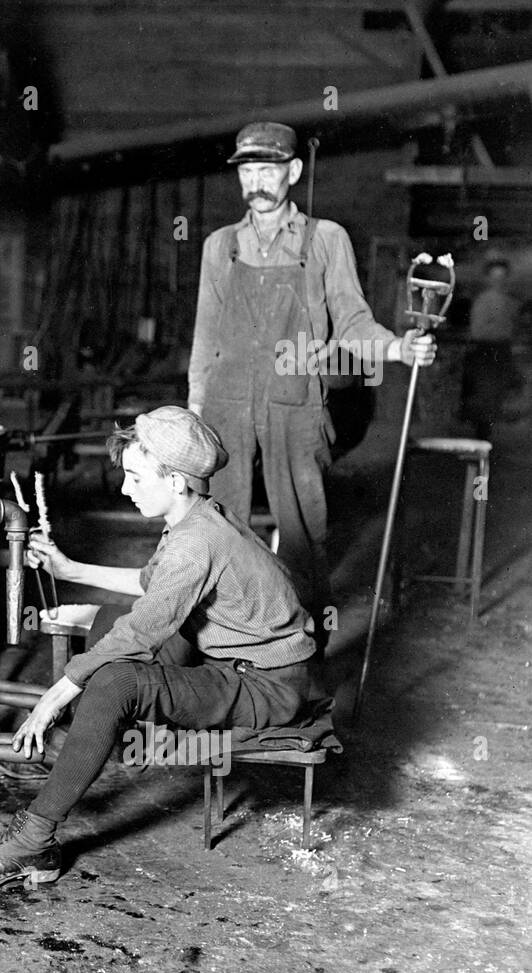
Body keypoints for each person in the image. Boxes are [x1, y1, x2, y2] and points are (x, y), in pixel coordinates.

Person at [0, 407, 320, 888]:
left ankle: (32, 844)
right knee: (107, 630)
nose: (125, 489)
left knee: (115, 677)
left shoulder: (195, 542)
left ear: (178, 482)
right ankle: (86, 747)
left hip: (266, 685)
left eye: (136, 478)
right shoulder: (201, 518)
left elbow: (144, 630)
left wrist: (52, 699)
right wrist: (71, 570)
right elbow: (154, 585)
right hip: (236, 662)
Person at [188, 121, 436, 630]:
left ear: (294, 172)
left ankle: (303, 644)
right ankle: (221, 635)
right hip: (225, 401)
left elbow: (351, 322)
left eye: (268, 169)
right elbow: (205, 334)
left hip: (295, 399)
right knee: (214, 522)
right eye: (247, 171)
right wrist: (195, 405)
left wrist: (397, 348)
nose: (256, 181)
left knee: (302, 530)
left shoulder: (326, 240)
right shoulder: (220, 246)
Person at [464, 256, 520, 438]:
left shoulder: (510, 301)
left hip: (503, 350)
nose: (499, 281)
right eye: (495, 277)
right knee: (485, 394)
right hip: (486, 351)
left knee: (498, 394)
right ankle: (482, 435)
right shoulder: (483, 301)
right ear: (488, 279)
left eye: (502, 277)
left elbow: (513, 327)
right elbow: (477, 331)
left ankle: (489, 436)